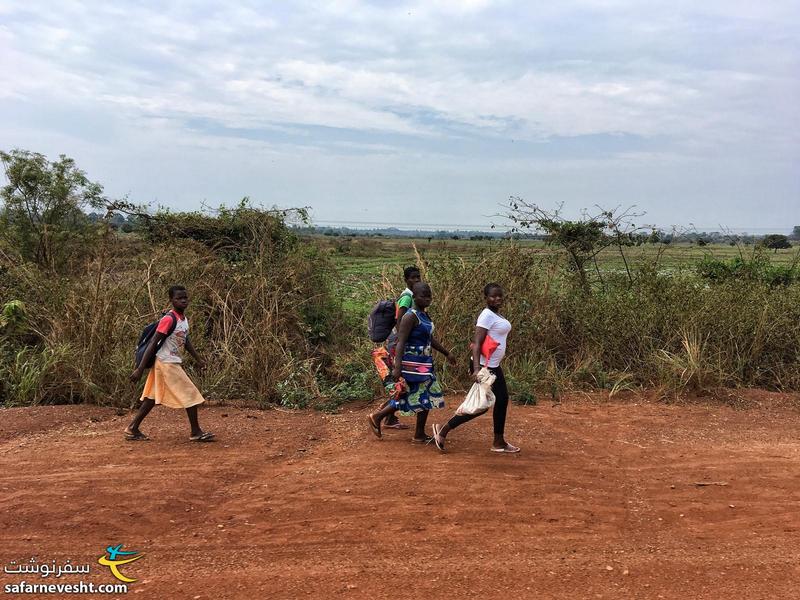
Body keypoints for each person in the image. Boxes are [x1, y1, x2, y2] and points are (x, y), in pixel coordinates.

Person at [432, 283, 519, 453]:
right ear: (486, 297)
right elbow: (477, 343)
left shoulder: (496, 314)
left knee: (501, 400)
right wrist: (476, 368)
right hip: (485, 367)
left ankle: (498, 441)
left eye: (500, 295)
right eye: (493, 296)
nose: (497, 299)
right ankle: (443, 430)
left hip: (493, 366)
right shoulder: (486, 315)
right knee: (481, 405)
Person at [368, 282, 456, 442]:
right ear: (414, 297)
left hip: (423, 363)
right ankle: (382, 418)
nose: (427, 299)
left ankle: (386, 420)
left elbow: (429, 338)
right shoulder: (410, 316)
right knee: (421, 395)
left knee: (419, 396)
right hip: (412, 365)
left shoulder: (424, 316)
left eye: (429, 296)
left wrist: (446, 353)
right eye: (423, 296)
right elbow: (401, 342)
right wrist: (398, 367)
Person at [126, 285, 214, 442]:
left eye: (185, 297)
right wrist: (139, 369)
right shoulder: (169, 319)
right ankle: (196, 431)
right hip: (166, 362)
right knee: (190, 393)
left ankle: (132, 428)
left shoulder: (184, 320)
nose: (183, 301)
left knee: (151, 398)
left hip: (169, 362)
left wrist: (198, 359)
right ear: (171, 300)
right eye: (179, 298)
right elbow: (153, 342)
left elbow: (185, 341)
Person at [372, 265, 421, 430]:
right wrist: (402, 342)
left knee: (400, 381)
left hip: (399, 340)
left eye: (418, 277)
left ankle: (389, 417)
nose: (416, 280)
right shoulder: (407, 297)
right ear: (406, 280)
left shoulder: (410, 295)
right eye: (413, 278)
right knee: (399, 381)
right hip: (398, 341)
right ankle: (383, 416)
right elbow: (400, 320)